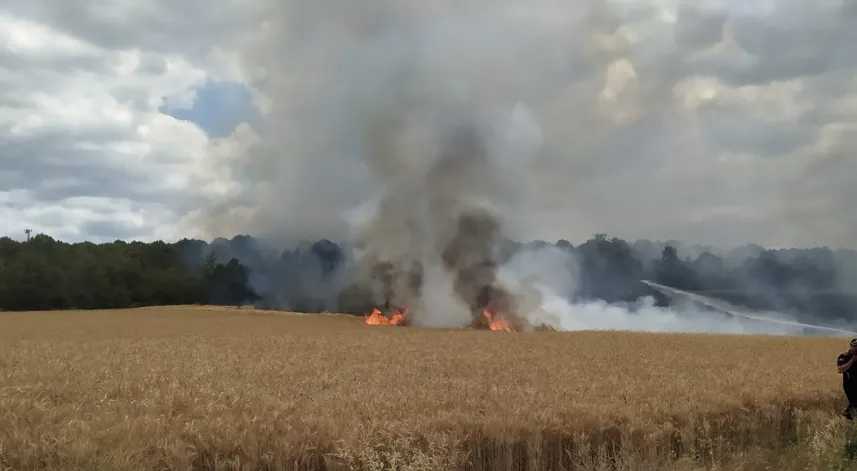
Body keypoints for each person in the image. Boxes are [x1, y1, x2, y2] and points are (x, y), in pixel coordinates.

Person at [837, 338, 857, 420]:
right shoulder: (844, 356)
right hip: (849, 385)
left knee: (854, 404)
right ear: (851, 346)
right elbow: (840, 369)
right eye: (855, 346)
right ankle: (844, 419)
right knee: (855, 402)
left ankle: (848, 420)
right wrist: (852, 360)